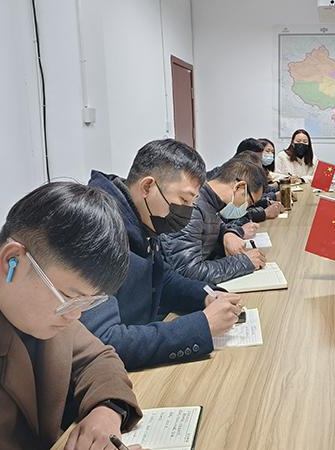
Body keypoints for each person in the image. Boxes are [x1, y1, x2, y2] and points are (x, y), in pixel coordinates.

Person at [0, 182, 143, 449]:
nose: (75, 315)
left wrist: (107, 410)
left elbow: (98, 358)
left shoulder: (32, 305)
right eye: (68, 297)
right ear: (12, 261)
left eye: (86, 302)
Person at [82, 139, 243, 371]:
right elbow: (104, 340)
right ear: (147, 187)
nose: (187, 212)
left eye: (192, 202)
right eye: (183, 200)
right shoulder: (97, 231)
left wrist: (206, 295)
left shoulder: (140, 217)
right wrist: (202, 327)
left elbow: (161, 279)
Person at [161, 158, 268, 284]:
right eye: (249, 203)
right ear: (239, 187)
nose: (246, 208)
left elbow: (215, 226)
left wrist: (228, 234)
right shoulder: (192, 206)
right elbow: (187, 271)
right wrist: (244, 262)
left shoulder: (211, 203)